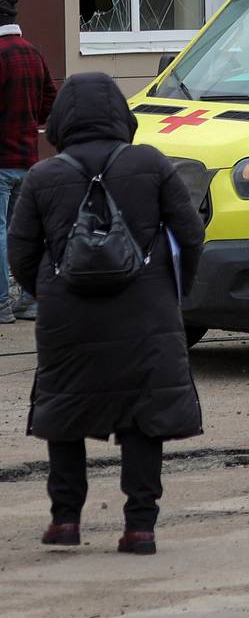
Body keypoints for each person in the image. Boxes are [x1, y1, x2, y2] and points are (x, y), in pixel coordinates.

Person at [6, 73, 205, 552]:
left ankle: (65, 522)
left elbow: (20, 252)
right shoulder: (151, 163)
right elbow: (191, 232)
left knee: (67, 411)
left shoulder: (43, 176)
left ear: (61, 121)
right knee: (143, 416)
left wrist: (49, 292)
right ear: (120, 114)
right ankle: (139, 527)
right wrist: (171, 288)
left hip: (67, 318)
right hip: (146, 312)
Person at [0, 0, 58, 325]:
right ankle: (30, 299)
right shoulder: (33, 53)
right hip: (27, 159)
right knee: (24, 232)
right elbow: (51, 101)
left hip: (1, 163)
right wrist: (28, 123)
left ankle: (2, 304)